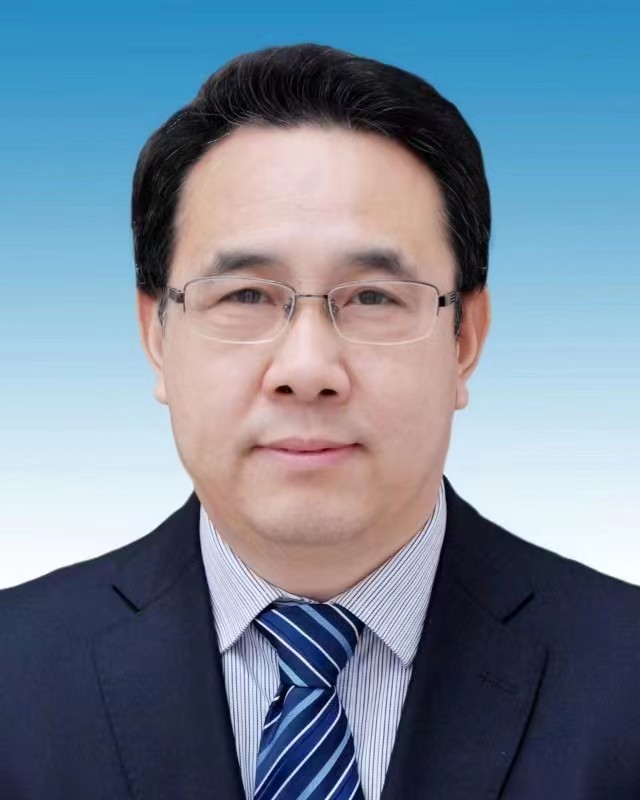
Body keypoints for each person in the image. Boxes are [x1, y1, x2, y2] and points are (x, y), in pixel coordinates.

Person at [1, 42, 638, 800]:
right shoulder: (16, 675)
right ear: (156, 336)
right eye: (244, 296)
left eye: (373, 297)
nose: (307, 369)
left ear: (465, 340)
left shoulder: (623, 677)